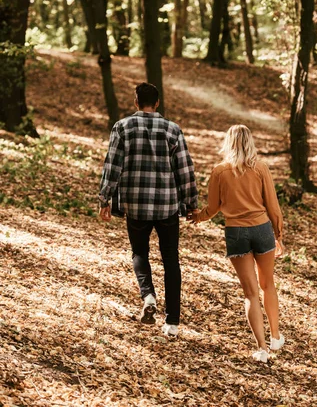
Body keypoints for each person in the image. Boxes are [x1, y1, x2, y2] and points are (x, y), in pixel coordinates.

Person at [98, 82, 198, 337]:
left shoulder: (123, 127)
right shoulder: (173, 130)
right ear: (157, 103)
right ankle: (172, 323)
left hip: (136, 204)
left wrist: (104, 198)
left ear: (135, 102)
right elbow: (184, 170)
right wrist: (190, 203)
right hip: (166, 206)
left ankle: (149, 296)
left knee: (139, 252)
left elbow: (113, 165)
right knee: (170, 259)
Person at [192, 124, 284, 363]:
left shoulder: (220, 171)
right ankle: (275, 337)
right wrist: (279, 234)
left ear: (228, 142)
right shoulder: (261, 168)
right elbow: (273, 206)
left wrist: (198, 217)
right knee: (268, 285)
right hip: (262, 229)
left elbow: (212, 208)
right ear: (250, 142)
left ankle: (262, 348)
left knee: (250, 293)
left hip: (236, 232)